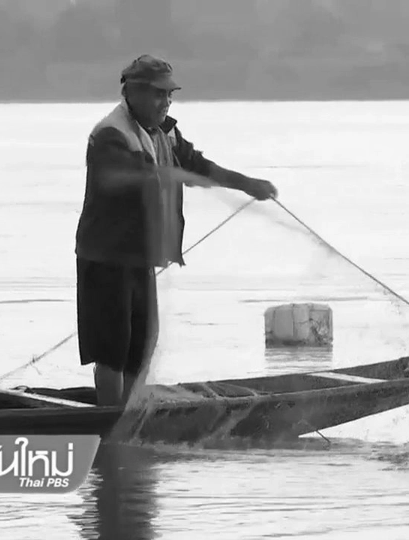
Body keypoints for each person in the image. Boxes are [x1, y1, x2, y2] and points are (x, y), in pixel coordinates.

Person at [74, 54, 278, 406]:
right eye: (157, 94)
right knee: (112, 349)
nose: (165, 102)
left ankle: (128, 414)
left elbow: (197, 165)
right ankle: (109, 423)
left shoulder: (163, 133)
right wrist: (166, 176)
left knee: (142, 344)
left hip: (138, 256)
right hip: (105, 257)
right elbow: (117, 178)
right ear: (132, 94)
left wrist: (246, 184)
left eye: (169, 95)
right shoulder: (111, 134)